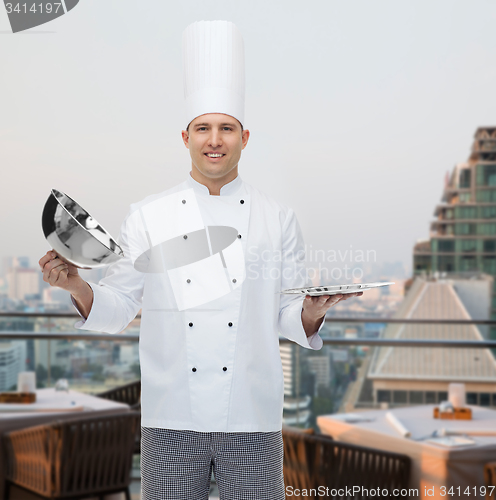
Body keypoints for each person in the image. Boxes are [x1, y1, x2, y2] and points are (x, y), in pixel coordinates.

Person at [39, 20, 361, 500]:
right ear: (185, 136)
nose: (215, 140)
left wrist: (312, 313)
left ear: (245, 137)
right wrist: (77, 287)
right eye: (204, 128)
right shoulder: (148, 215)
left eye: (226, 129)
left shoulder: (278, 218)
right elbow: (120, 304)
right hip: (171, 418)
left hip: (252, 418)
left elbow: (288, 313)